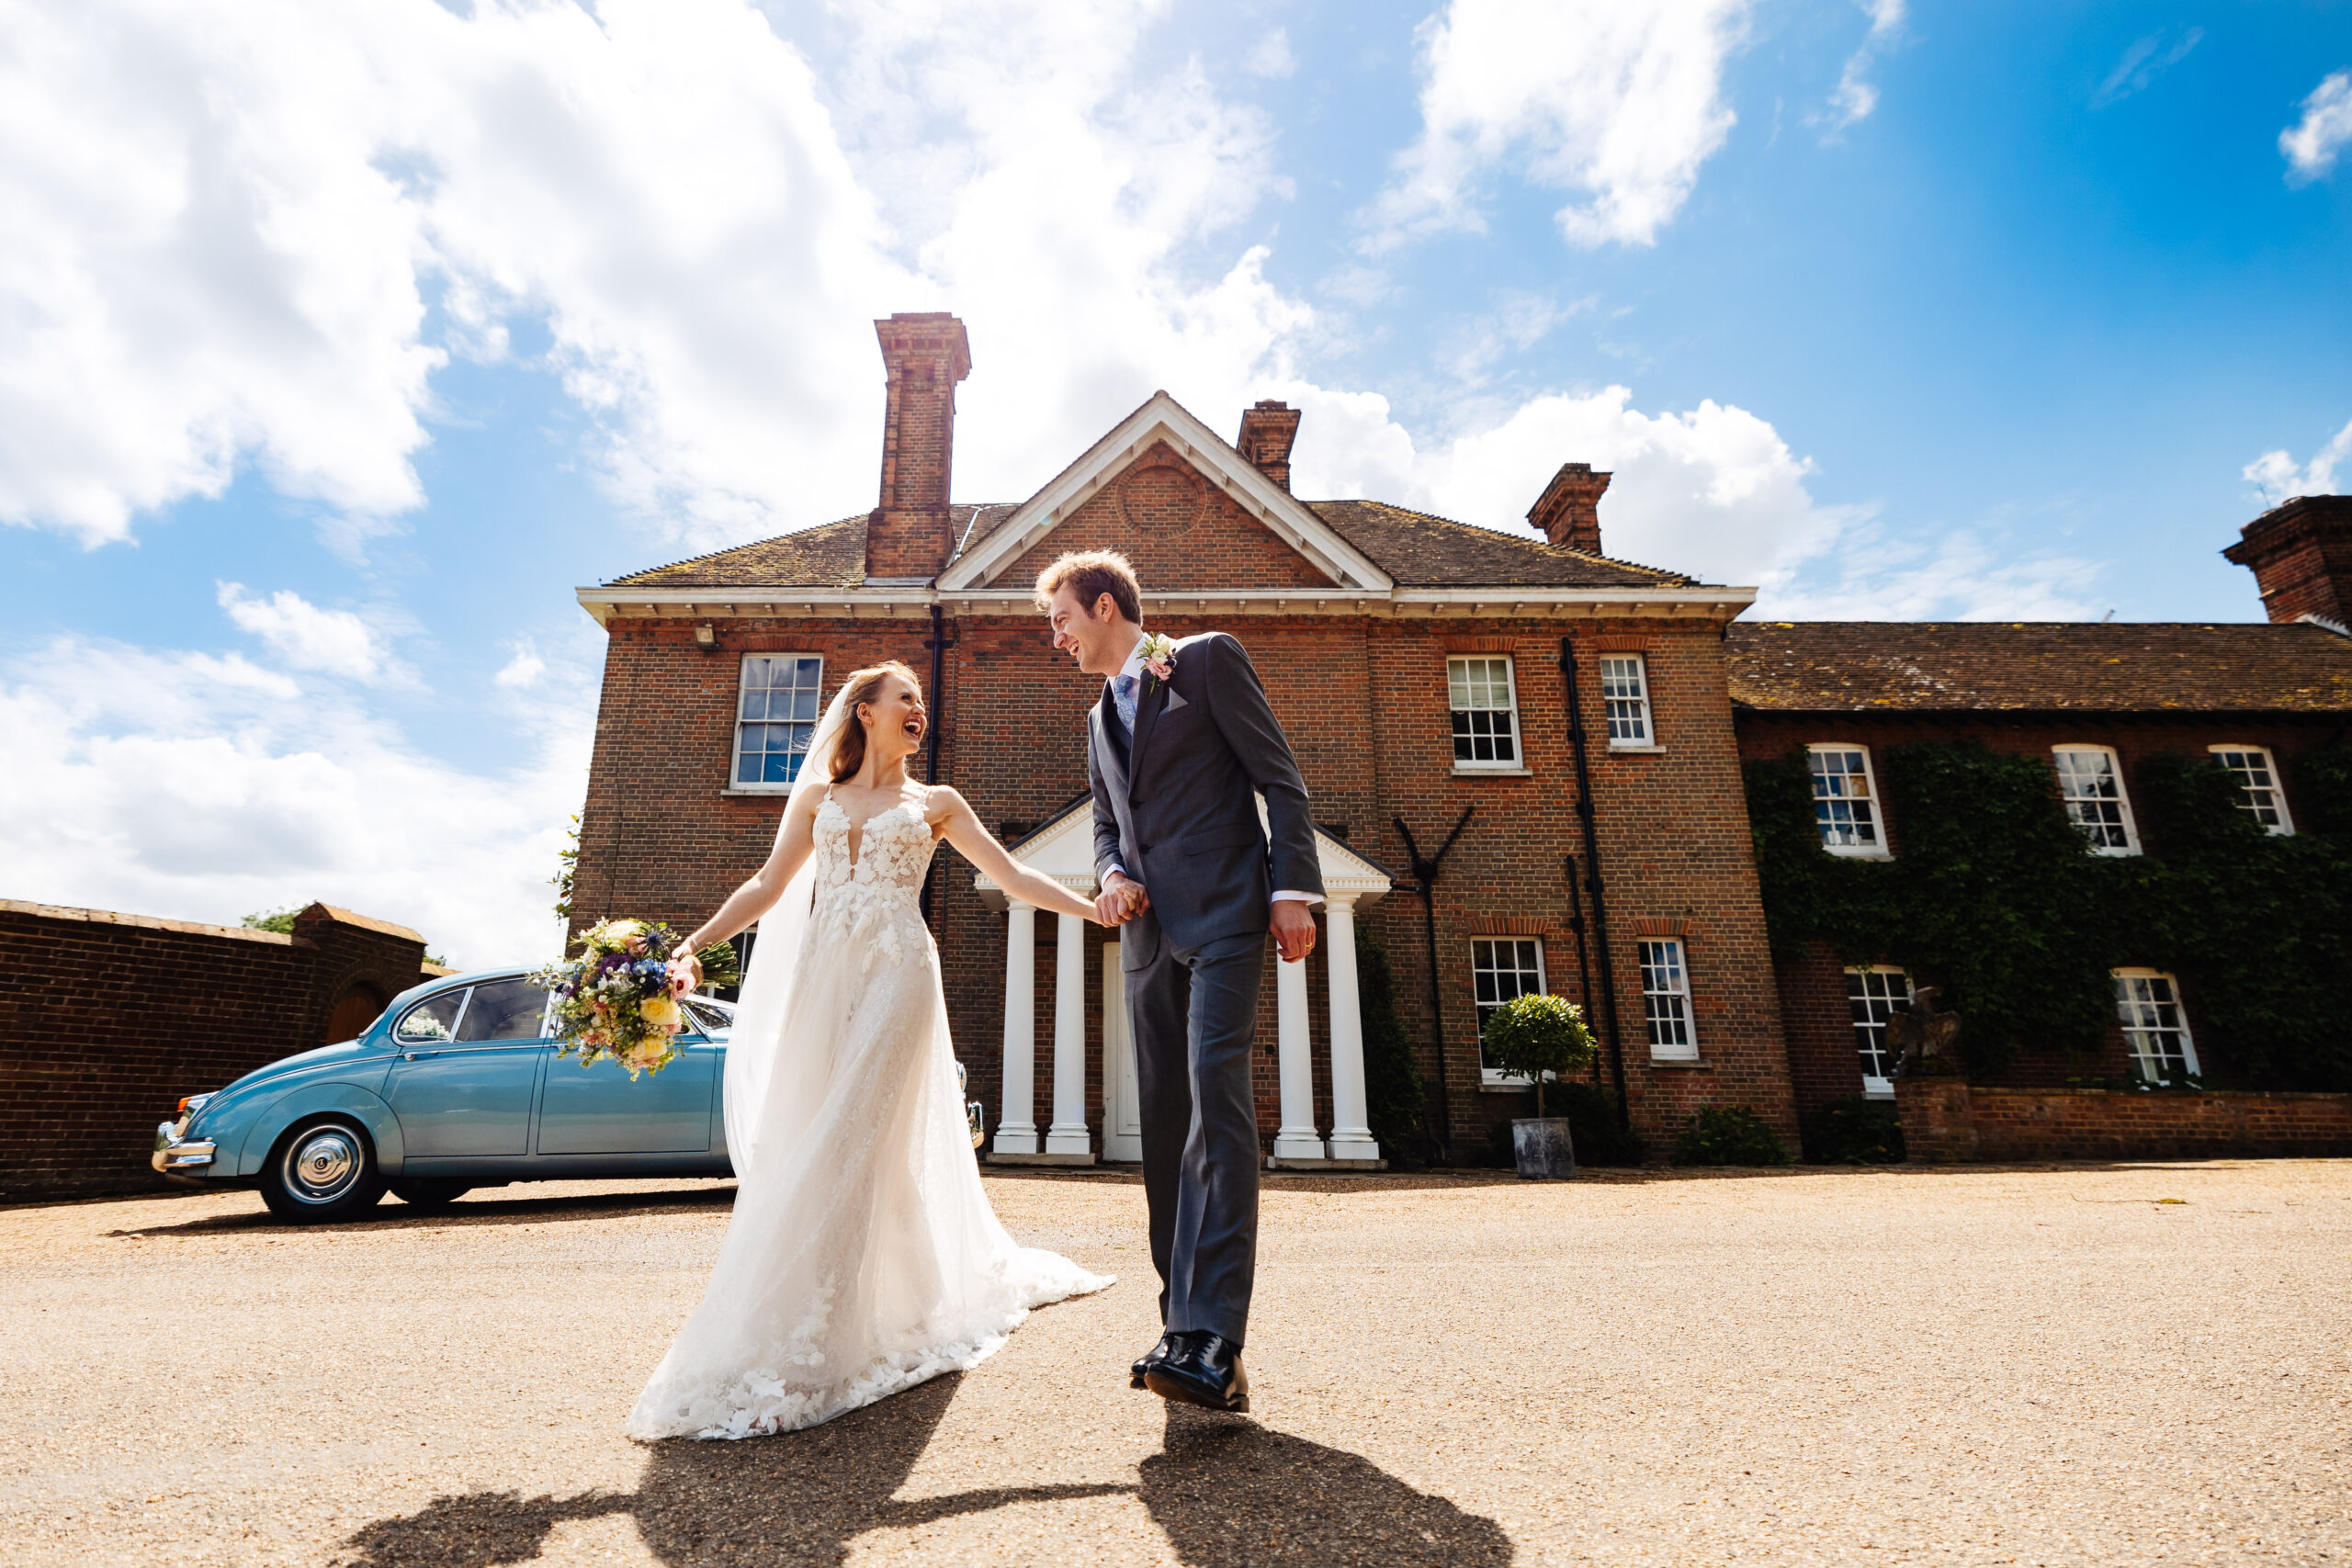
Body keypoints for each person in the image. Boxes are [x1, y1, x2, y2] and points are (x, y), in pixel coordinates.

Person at [628, 660, 1112, 1440]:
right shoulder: (818, 797)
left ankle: (824, 1343)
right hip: (826, 978)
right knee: (819, 1134)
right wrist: (688, 946)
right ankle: (884, 1296)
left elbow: (1015, 873)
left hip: (899, 973)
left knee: (851, 1130)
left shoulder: (938, 804)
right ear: (864, 710)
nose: (919, 707)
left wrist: (1094, 909)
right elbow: (767, 883)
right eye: (905, 697)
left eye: (922, 698)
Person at [1040, 550, 1323, 1415]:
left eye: (1061, 621)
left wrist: (1290, 889)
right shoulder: (1096, 719)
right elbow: (1103, 820)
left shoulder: (1202, 659)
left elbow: (1279, 778)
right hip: (1147, 935)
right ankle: (1184, 1336)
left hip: (1230, 913)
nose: (1057, 639)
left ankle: (1212, 1329)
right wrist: (1111, 873)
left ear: (1102, 604)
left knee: (1214, 1093)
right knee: (1164, 1126)